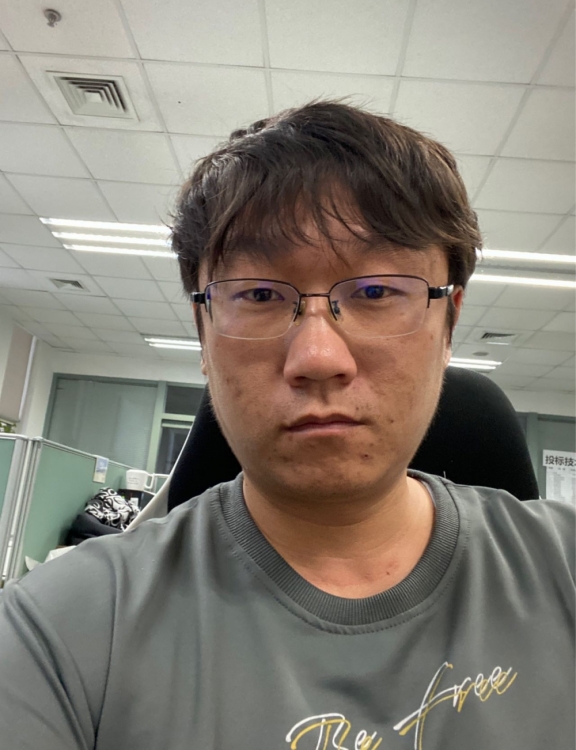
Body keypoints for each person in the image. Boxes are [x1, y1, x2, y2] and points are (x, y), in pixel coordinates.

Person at [0, 101, 573, 749]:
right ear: (203, 332)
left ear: (449, 323)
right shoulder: (64, 626)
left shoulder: (565, 570)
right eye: (260, 294)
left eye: (377, 292)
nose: (319, 357)